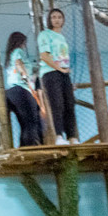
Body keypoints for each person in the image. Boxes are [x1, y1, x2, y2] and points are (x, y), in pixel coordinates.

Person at [38, 8, 78, 144]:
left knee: (70, 103)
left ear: (63, 20)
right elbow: (44, 56)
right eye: (54, 17)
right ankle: (59, 136)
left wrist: (64, 70)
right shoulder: (45, 34)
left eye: (59, 17)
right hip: (50, 73)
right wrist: (59, 68)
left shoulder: (61, 37)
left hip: (63, 72)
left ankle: (72, 137)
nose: (57, 20)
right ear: (49, 20)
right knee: (58, 104)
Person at [3, 32, 42, 147]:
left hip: (12, 91)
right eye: (24, 42)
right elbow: (19, 63)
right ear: (21, 42)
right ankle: (32, 147)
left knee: (24, 122)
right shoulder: (18, 51)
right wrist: (24, 75)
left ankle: (24, 147)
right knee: (31, 120)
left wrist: (35, 69)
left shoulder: (9, 56)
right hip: (21, 89)